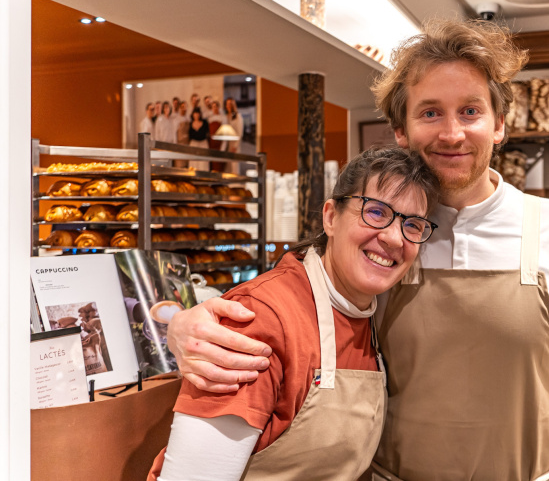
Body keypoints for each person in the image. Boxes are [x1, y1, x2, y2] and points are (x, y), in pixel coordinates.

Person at [167, 19, 549, 480]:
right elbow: (288, 303)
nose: (451, 133)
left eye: (470, 111)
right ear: (401, 131)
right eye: (430, 113)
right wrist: (177, 319)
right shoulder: (380, 245)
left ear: (499, 124)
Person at [148, 147, 440, 481]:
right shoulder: (258, 319)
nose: (392, 237)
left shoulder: (373, 314)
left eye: (413, 225)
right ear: (330, 216)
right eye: (375, 212)